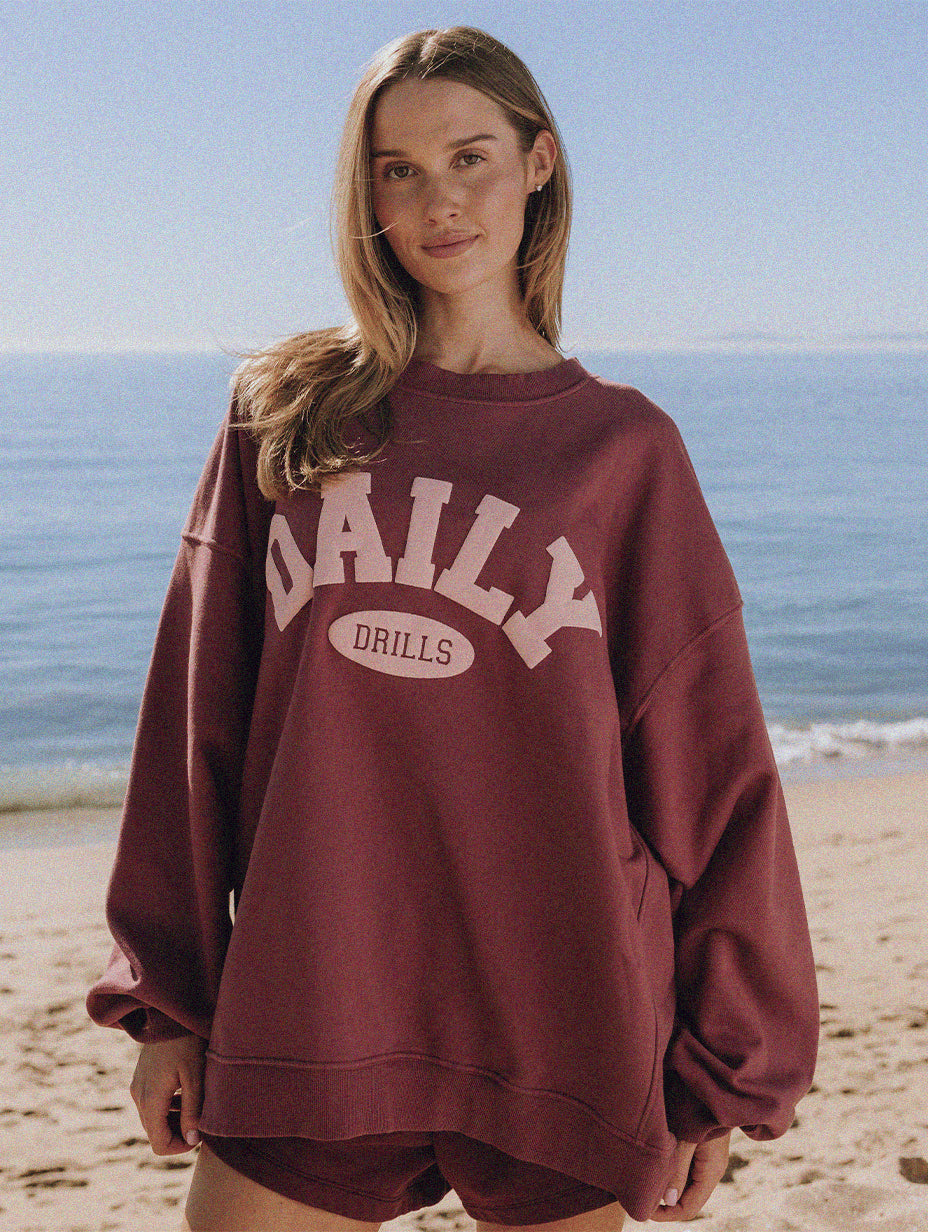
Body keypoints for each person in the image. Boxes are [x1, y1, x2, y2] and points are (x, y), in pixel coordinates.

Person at [85, 25, 820, 1232]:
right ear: (363, 189)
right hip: (315, 991)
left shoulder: (622, 452)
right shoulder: (286, 414)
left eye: (468, 157)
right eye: (398, 169)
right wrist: (167, 999)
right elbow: (190, 722)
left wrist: (731, 1070)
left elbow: (714, 768)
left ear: (537, 164)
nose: (437, 201)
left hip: (562, 1007)